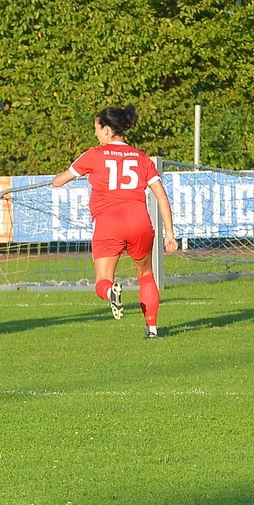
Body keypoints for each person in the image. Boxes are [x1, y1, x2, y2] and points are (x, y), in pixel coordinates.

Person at [51, 105, 178, 339]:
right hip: (139, 220)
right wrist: (169, 232)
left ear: (107, 130)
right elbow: (161, 195)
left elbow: (59, 181)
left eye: (97, 129)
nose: (95, 134)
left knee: (103, 280)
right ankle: (152, 329)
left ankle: (111, 292)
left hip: (109, 222)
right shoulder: (141, 157)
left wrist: (73, 176)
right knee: (146, 274)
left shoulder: (94, 154)